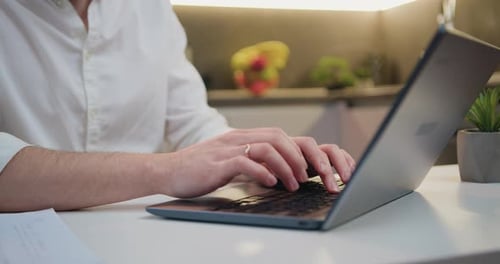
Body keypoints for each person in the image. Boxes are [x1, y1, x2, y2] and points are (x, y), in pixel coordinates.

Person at [0, 0, 355, 212]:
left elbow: (194, 125)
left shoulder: (150, 8)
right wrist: (167, 169)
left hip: (142, 232)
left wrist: (258, 157)